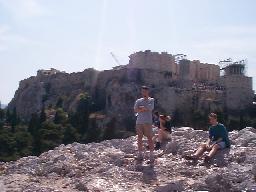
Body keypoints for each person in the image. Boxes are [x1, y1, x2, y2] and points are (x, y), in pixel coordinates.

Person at [134, 86, 155, 162]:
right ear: (141, 92)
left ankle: (152, 155)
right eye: (143, 91)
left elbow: (150, 108)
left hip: (148, 121)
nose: (144, 93)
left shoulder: (151, 100)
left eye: (145, 91)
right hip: (139, 121)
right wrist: (143, 108)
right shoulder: (138, 101)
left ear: (148, 92)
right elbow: (135, 109)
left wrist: (142, 108)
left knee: (149, 137)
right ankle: (140, 154)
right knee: (139, 138)